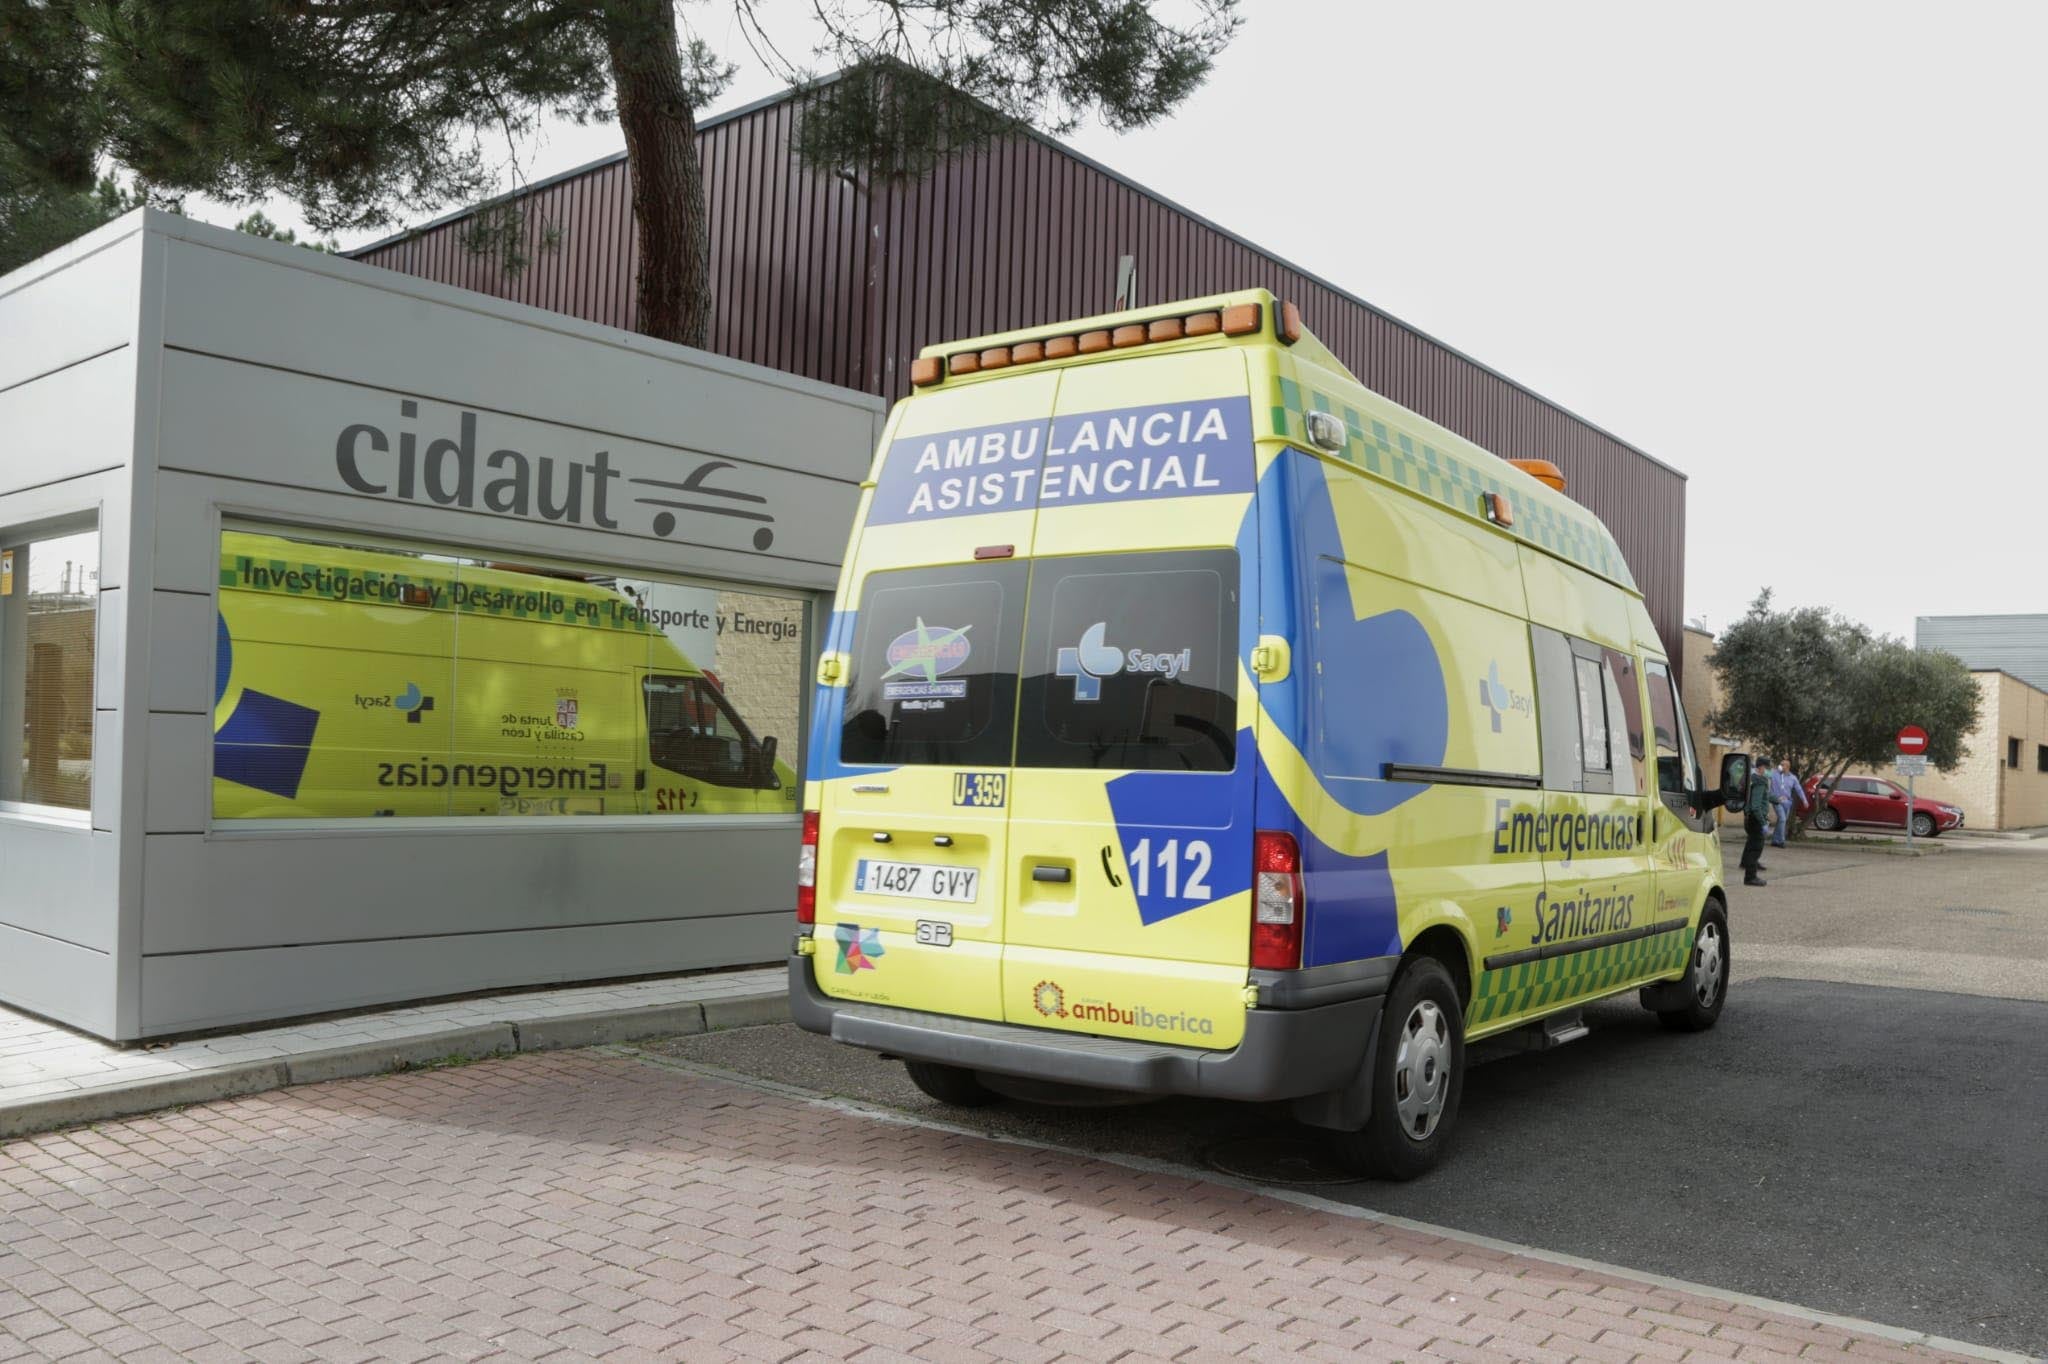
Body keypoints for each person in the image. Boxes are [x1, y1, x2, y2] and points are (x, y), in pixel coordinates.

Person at [1740, 755, 1771, 886]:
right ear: (1762, 767)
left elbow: (1762, 797)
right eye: (1767, 768)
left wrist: (1777, 799)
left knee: (1751, 844)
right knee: (1756, 847)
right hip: (1756, 819)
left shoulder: (1751, 779)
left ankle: (1745, 863)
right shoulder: (1760, 781)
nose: (1768, 771)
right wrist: (1763, 823)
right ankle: (1750, 877)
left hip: (1750, 818)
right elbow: (1756, 805)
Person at [1769, 759, 1808, 848]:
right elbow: (1764, 773)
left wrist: (1804, 800)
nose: (1780, 766)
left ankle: (1775, 840)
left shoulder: (1793, 778)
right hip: (1776, 801)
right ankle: (1781, 841)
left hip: (1787, 802)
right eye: (1780, 764)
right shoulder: (1774, 773)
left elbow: (1799, 789)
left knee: (1781, 821)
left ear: (1787, 767)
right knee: (1782, 819)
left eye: (1783, 765)